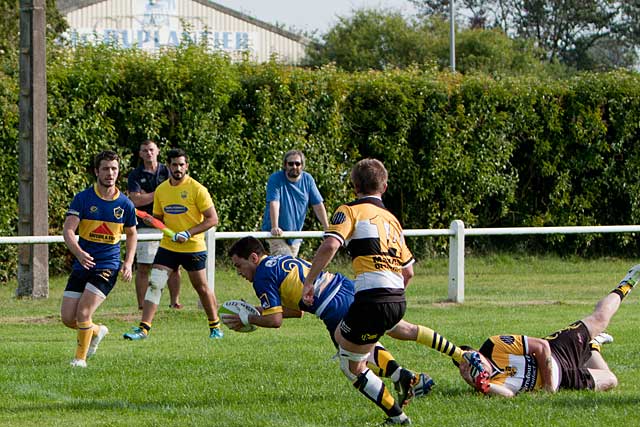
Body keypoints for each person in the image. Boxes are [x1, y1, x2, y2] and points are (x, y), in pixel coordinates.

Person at [299, 159, 442, 425]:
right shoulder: (393, 220)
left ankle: (398, 416)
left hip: (371, 300)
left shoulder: (349, 211)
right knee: (346, 339)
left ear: (354, 187)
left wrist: (309, 282)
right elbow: (408, 271)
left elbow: (331, 245)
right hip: (397, 299)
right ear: (384, 186)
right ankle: (399, 375)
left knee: (351, 366)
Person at [225, 237, 439, 405]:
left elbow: (275, 321)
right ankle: (405, 377)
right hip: (342, 286)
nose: (239, 272)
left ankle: (398, 410)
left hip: (331, 305)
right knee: (365, 344)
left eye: (238, 266)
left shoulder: (261, 275)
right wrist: (256, 309)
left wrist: (247, 318)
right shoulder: (279, 259)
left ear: (254, 258)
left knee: (354, 363)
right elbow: (295, 311)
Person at [456, 264, 640, 397]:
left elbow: (542, 346)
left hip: (557, 351)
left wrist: (549, 387)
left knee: (599, 319)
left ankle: (629, 280)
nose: (476, 366)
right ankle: (592, 348)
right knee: (611, 380)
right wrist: (480, 385)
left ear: (478, 352)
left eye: (474, 359)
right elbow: (508, 395)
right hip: (564, 380)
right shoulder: (488, 385)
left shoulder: (495, 345)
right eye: (469, 368)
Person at [123, 148, 223, 340]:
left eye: (181, 165)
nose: (178, 168)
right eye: (174, 165)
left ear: (187, 166)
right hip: (169, 246)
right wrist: (151, 220)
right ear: (168, 166)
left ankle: (215, 327)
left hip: (193, 247)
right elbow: (160, 217)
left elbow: (212, 219)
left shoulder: (197, 189)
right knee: (156, 284)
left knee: (201, 287)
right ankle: (143, 329)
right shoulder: (161, 190)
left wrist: (188, 233)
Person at [61, 150, 137, 368]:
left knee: (84, 312)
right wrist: (78, 252)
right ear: (96, 171)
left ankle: (79, 359)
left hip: (107, 265)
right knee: (68, 318)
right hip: (83, 262)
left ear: (118, 171)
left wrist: (128, 262)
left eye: (114, 168)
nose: (110, 173)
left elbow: (132, 234)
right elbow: (68, 230)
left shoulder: (125, 204)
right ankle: (96, 331)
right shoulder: (83, 198)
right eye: (105, 168)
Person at [127, 139, 182, 310]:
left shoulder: (169, 170)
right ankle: (142, 305)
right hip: (145, 226)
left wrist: (147, 196)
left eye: (151, 149)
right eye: (144, 150)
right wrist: (159, 193)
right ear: (140, 154)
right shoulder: (135, 175)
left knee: (174, 266)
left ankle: (175, 302)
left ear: (157, 151)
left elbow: (178, 194)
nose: (148, 153)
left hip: (169, 225)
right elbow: (134, 200)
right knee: (144, 266)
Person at [261, 149, 329, 257]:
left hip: (295, 235)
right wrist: (275, 226)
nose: (294, 166)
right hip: (276, 233)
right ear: (285, 165)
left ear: (302, 165)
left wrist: (326, 227)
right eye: (290, 164)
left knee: (290, 267)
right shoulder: (276, 179)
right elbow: (274, 203)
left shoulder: (308, 180)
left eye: (297, 163)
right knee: (285, 260)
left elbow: (318, 204)